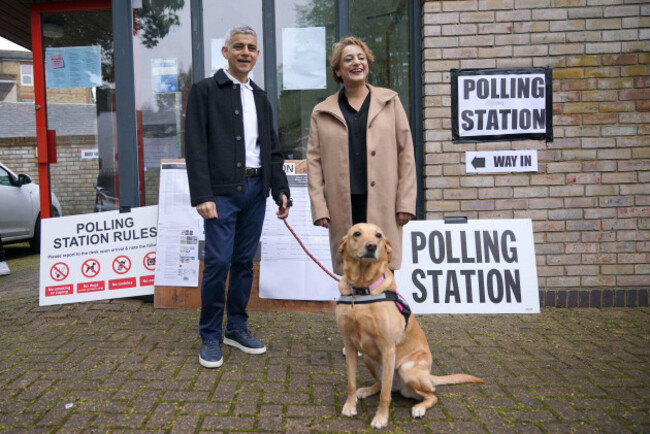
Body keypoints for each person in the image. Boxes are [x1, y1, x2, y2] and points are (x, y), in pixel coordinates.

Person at [185, 25, 291, 369]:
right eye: (239, 47)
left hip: (255, 192)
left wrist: (280, 190)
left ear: (257, 55)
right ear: (225, 51)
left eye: (252, 48)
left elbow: (272, 150)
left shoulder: (261, 97)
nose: (246, 52)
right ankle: (211, 334)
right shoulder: (204, 91)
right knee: (217, 262)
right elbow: (195, 146)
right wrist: (202, 194)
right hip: (220, 194)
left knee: (245, 262)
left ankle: (237, 328)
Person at [307, 36, 416, 277]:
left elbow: (406, 153)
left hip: (384, 202)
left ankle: (382, 315)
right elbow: (314, 163)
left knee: (383, 269)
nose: (357, 62)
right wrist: (319, 207)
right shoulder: (322, 111)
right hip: (342, 205)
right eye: (348, 59)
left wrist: (406, 202)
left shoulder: (390, 101)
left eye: (361, 57)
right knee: (351, 268)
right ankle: (355, 315)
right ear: (338, 70)